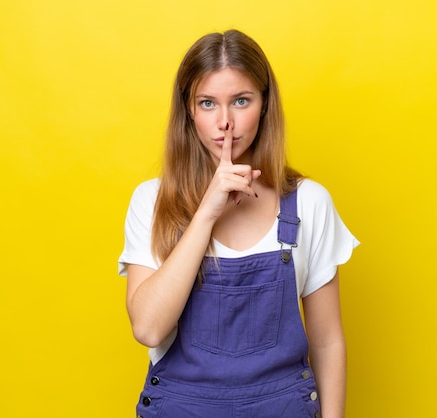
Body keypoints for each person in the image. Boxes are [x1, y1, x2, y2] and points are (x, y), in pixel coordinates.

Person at [119, 29, 359, 418]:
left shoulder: (309, 202)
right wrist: (207, 213)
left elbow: (328, 341)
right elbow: (148, 329)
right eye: (208, 103)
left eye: (241, 101)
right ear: (189, 110)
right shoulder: (152, 201)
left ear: (265, 105)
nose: (225, 122)